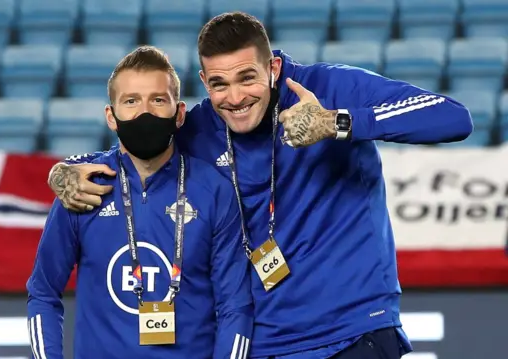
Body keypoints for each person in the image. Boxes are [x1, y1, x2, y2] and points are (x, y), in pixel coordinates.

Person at [46, 12, 474, 359]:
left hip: (352, 332)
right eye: (218, 84)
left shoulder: (328, 88)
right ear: (204, 80)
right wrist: (64, 172)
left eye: (247, 78)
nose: (234, 97)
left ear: (272, 68)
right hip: (263, 343)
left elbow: (453, 117)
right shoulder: (200, 128)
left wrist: (338, 123)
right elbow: (137, 147)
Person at [26, 46, 253, 359]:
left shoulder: (214, 191)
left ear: (180, 113)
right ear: (111, 116)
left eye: (158, 100)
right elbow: (43, 292)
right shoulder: (84, 188)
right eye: (131, 101)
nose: (144, 113)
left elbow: (235, 307)